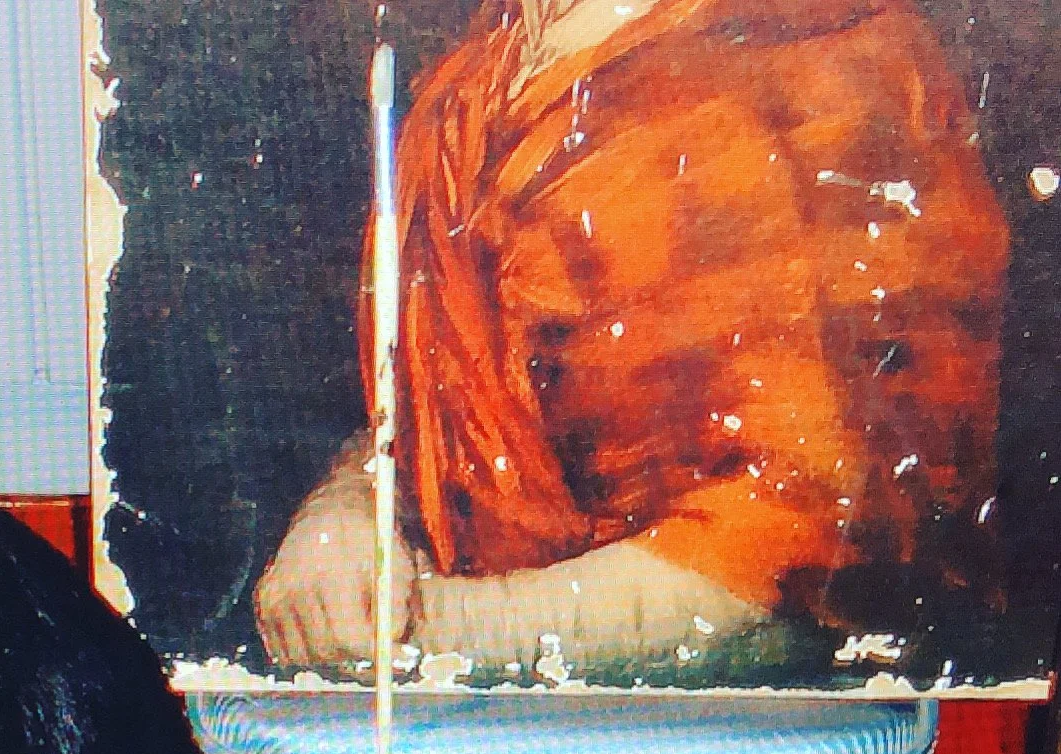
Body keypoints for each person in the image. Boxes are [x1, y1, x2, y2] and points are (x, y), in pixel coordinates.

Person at [253, 0, 1009, 676]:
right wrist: (347, 513)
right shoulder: (482, 70)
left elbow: (809, 571)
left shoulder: (825, 65)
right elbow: (464, 409)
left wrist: (439, 632)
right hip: (473, 743)